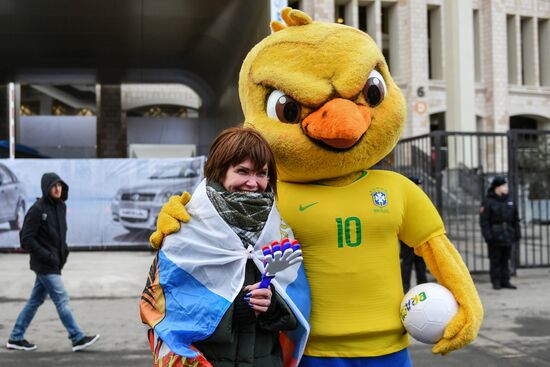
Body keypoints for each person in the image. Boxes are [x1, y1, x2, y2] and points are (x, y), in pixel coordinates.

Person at [140, 127, 310, 367]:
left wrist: (272, 307)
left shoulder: (278, 229)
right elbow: (165, 308)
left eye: (262, 174)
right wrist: (235, 310)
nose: (253, 183)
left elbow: (296, 301)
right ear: (220, 172)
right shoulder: (187, 226)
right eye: (243, 171)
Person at [6, 173, 100, 352]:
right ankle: (77, 337)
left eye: (60, 186)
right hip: (44, 264)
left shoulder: (61, 207)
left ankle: (15, 337)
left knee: (35, 301)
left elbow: (60, 235)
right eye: (53, 186)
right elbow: (26, 239)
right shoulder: (37, 209)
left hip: (54, 263)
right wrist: (47, 255)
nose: (58, 189)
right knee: (61, 299)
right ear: (46, 188)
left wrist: (63, 253)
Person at [480, 176, 521, 290]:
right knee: (495, 259)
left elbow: (515, 219)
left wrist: (517, 233)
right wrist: (488, 235)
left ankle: (505, 280)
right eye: (504, 185)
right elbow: (484, 221)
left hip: (508, 233)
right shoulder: (488, 202)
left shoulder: (509, 201)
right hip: (495, 234)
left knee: (505, 259)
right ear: (497, 188)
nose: (506, 188)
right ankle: (496, 281)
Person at [400, 176, 428, 293]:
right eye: (417, 185)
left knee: (421, 263)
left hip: (420, 237)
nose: (420, 188)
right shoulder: (405, 200)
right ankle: (404, 288)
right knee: (407, 263)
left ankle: (423, 287)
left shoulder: (423, 199)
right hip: (407, 238)